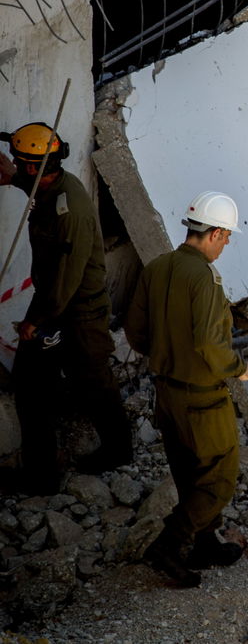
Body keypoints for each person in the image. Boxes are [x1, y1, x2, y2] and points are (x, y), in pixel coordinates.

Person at [126, 191, 248, 588]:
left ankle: (203, 543)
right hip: (202, 395)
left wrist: (166, 353)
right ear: (215, 233)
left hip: (166, 393)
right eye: (228, 235)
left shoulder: (158, 267)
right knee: (218, 478)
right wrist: (239, 368)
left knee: (188, 472)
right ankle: (169, 545)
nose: (228, 243)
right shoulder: (204, 276)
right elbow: (210, 345)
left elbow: (135, 331)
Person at [0, 122, 131, 495]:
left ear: (33, 166)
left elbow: (62, 287)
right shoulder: (53, 185)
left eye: (18, 162)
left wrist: (32, 323)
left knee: (85, 383)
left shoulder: (67, 210)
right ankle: (45, 472)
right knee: (42, 386)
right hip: (61, 307)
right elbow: (38, 186)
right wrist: (13, 179)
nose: (12, 163)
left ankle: (111, 452)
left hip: (75, 313)